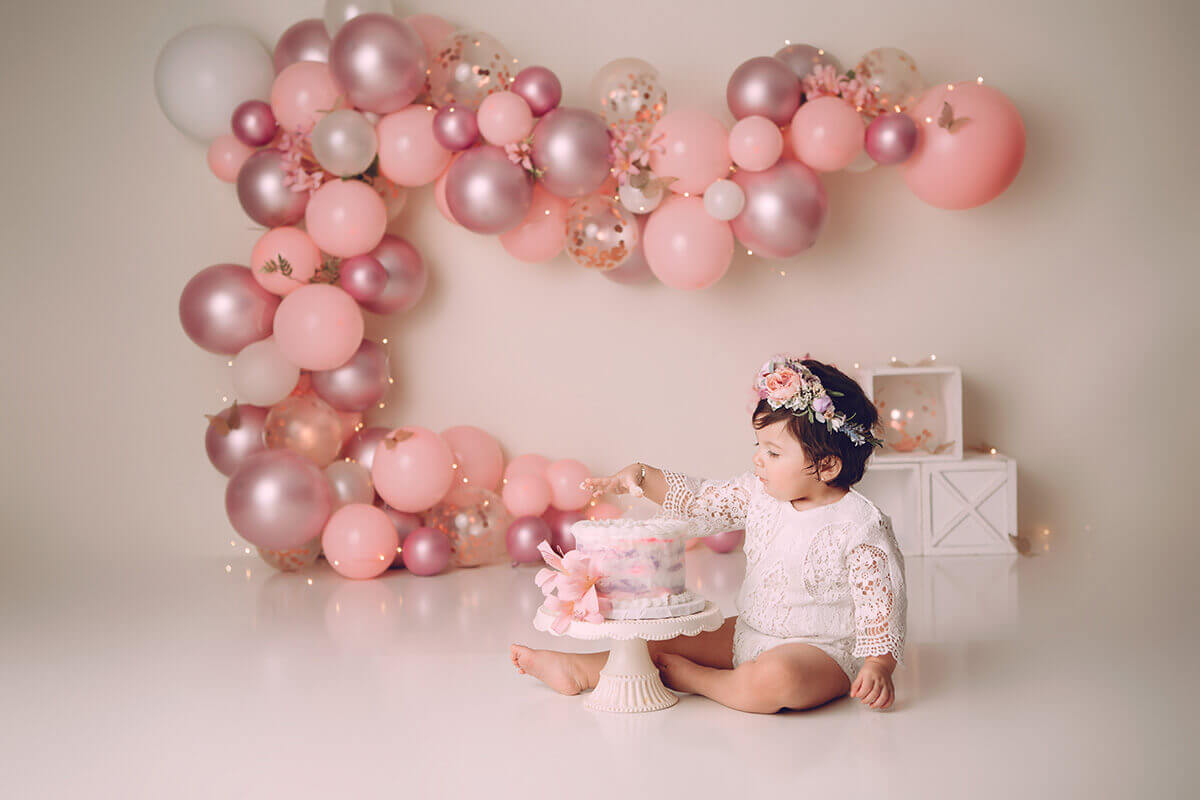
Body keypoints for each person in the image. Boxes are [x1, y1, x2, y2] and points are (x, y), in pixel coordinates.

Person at [510, 356, 906, 713]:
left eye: (772, 452)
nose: (757, 458)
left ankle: (699, 680)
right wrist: (644, 477)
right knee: (661, 639)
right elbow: (701, 499)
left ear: (827, 466)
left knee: (780, 679)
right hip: (750, 632)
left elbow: (880, 603)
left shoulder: (859, 524)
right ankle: (577, 668)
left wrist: (878, 663)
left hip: (822, 652)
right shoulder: (758, 494)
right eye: (759, 445)